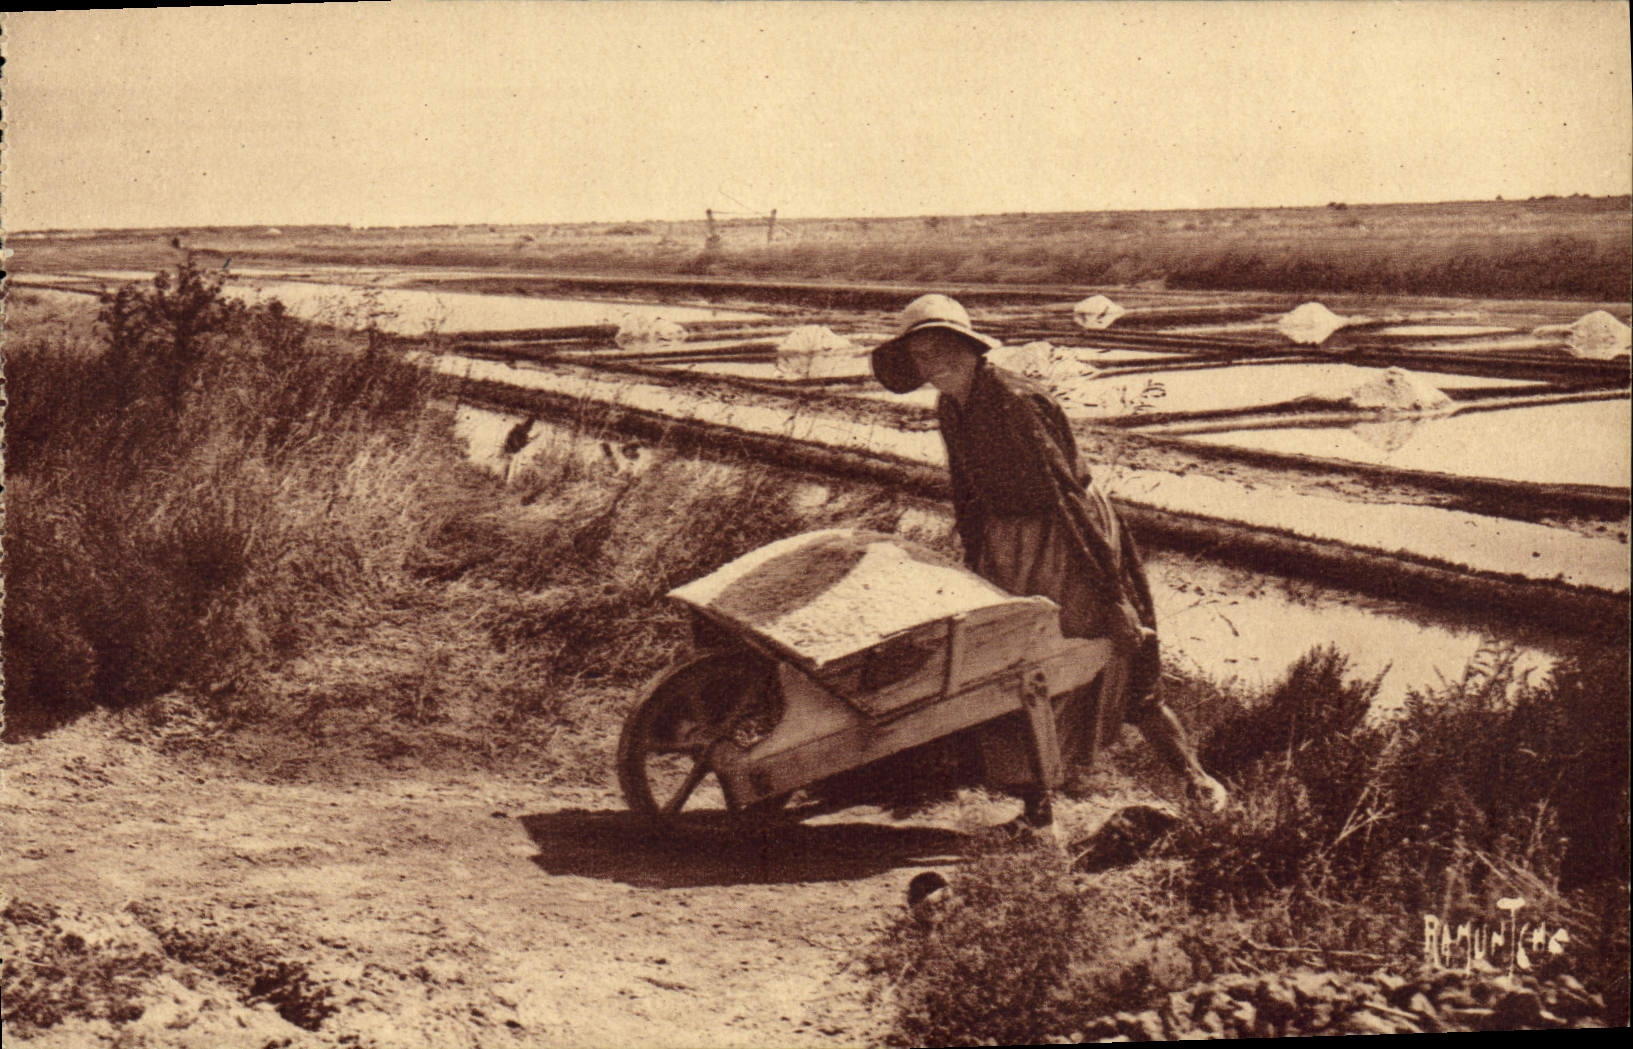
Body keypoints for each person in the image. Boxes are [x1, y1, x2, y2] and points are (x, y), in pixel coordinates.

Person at [870, 294, 1228, 831]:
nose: (934, 363)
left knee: (1109, 654)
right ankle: (1036, 811)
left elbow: (1065, 497)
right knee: (1013, 672)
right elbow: (966, 491)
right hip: (1008, 542)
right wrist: (974, 564)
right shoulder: (951, 406)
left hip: (1068, 540)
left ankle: (1197, 780)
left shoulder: (1015, 401)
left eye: (942, 348)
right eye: (921, 355)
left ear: (969, 347)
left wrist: (1113, 595)